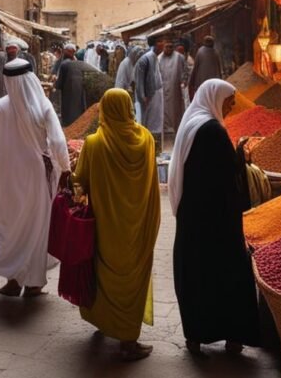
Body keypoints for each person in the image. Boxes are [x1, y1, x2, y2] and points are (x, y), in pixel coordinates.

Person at [168, 79, 260, 356]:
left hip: (192, 215)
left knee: (195, 272)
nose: (232, 107)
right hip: (216, 218)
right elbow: (224, 175)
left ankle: (195, 334)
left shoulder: (194, 122)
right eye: (229, 101)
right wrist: (240, 156)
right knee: (227, 272)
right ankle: (234, 335)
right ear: (215, 99)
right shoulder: (212, 131)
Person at [73, 88, 161, 361]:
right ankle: (127, 340)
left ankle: (106, 321)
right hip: (138, 227)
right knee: (133, 279)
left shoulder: (94, 143)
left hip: (105, 229)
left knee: (104, 275)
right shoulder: (146, 139)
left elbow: (80, 182)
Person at [0, 58, 70, 297]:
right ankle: (33, 283)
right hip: (38, 176)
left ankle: (13, 280)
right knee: (37, 226)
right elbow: (59, 142)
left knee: (9, 224)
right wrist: (66, 169)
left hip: (7, 178)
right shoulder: (44, 106)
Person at [134, 38, 164, 147]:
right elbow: (139, 81)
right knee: (149, 124)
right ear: (155, 44)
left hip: (156, 95)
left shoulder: (155, 57)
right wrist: (143, 97)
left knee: (157, 123)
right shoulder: (145, 59)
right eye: (160, 41)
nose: (163, 44)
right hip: (149, 97)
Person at [156, 38, 188, 136]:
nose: (169, 49)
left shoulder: (179, 57)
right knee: (163, 111)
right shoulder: (159, 58)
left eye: (171, 47)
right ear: (163, 47)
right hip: (163, 90)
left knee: (176, 112)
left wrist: (184, 82)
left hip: (175, 91)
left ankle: (178, 132)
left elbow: (185, 72)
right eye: (167, 47)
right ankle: (166, 132)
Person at [55, 44, 87, 127]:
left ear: (67, 51)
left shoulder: (64, 64)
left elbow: (59, 84)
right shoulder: (77, 64)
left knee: (68, 116)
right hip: (78, 94)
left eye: (65, 50)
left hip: (68, 95)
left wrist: (55, 84)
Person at [188, 35, 223, 100]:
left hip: (202, 83)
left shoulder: (200, 51)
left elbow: (195, 67)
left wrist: (192, 81)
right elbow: (219, 69)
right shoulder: (215, 53)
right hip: (213, 84)